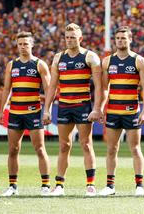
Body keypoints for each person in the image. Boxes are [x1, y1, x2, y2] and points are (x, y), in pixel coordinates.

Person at [42, 23, 103, 196]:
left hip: (83, 105)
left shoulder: (90, 57)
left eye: (73, 38)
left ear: (80, 39)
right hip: (64, 106)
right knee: (64, 145)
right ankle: (59, 185)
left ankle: (90, 185)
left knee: (86, 144)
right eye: (67, 37)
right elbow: (52, 86)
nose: (69, 40)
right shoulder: (58, 58)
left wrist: (97, 108)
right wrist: (46, 110)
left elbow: (99, 86)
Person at [97, 26, 144, 196]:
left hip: (132, 111)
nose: (120, 41)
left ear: (130, 40)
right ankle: (110, 186)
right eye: (118, 38)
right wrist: (100, 109)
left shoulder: (139, 61)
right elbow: (104, 89)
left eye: (124, 38)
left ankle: (139, 186)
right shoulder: (107, 62)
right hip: (113, 111)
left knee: (135, 148)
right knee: (112, 149)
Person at [0, 31, 52, 196]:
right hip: (14, 112)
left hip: (33, 112)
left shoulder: (39, 64)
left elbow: (49, 89)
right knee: (13, 149)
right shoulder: (11, 65)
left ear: (32, 45)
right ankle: (13, 186)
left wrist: (47, 110)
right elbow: (7, 89)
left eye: (26, 44)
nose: (23, 47)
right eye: (20, 44)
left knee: (40, 148)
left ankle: (45, 186)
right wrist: (1, 110)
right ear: (17, 45)